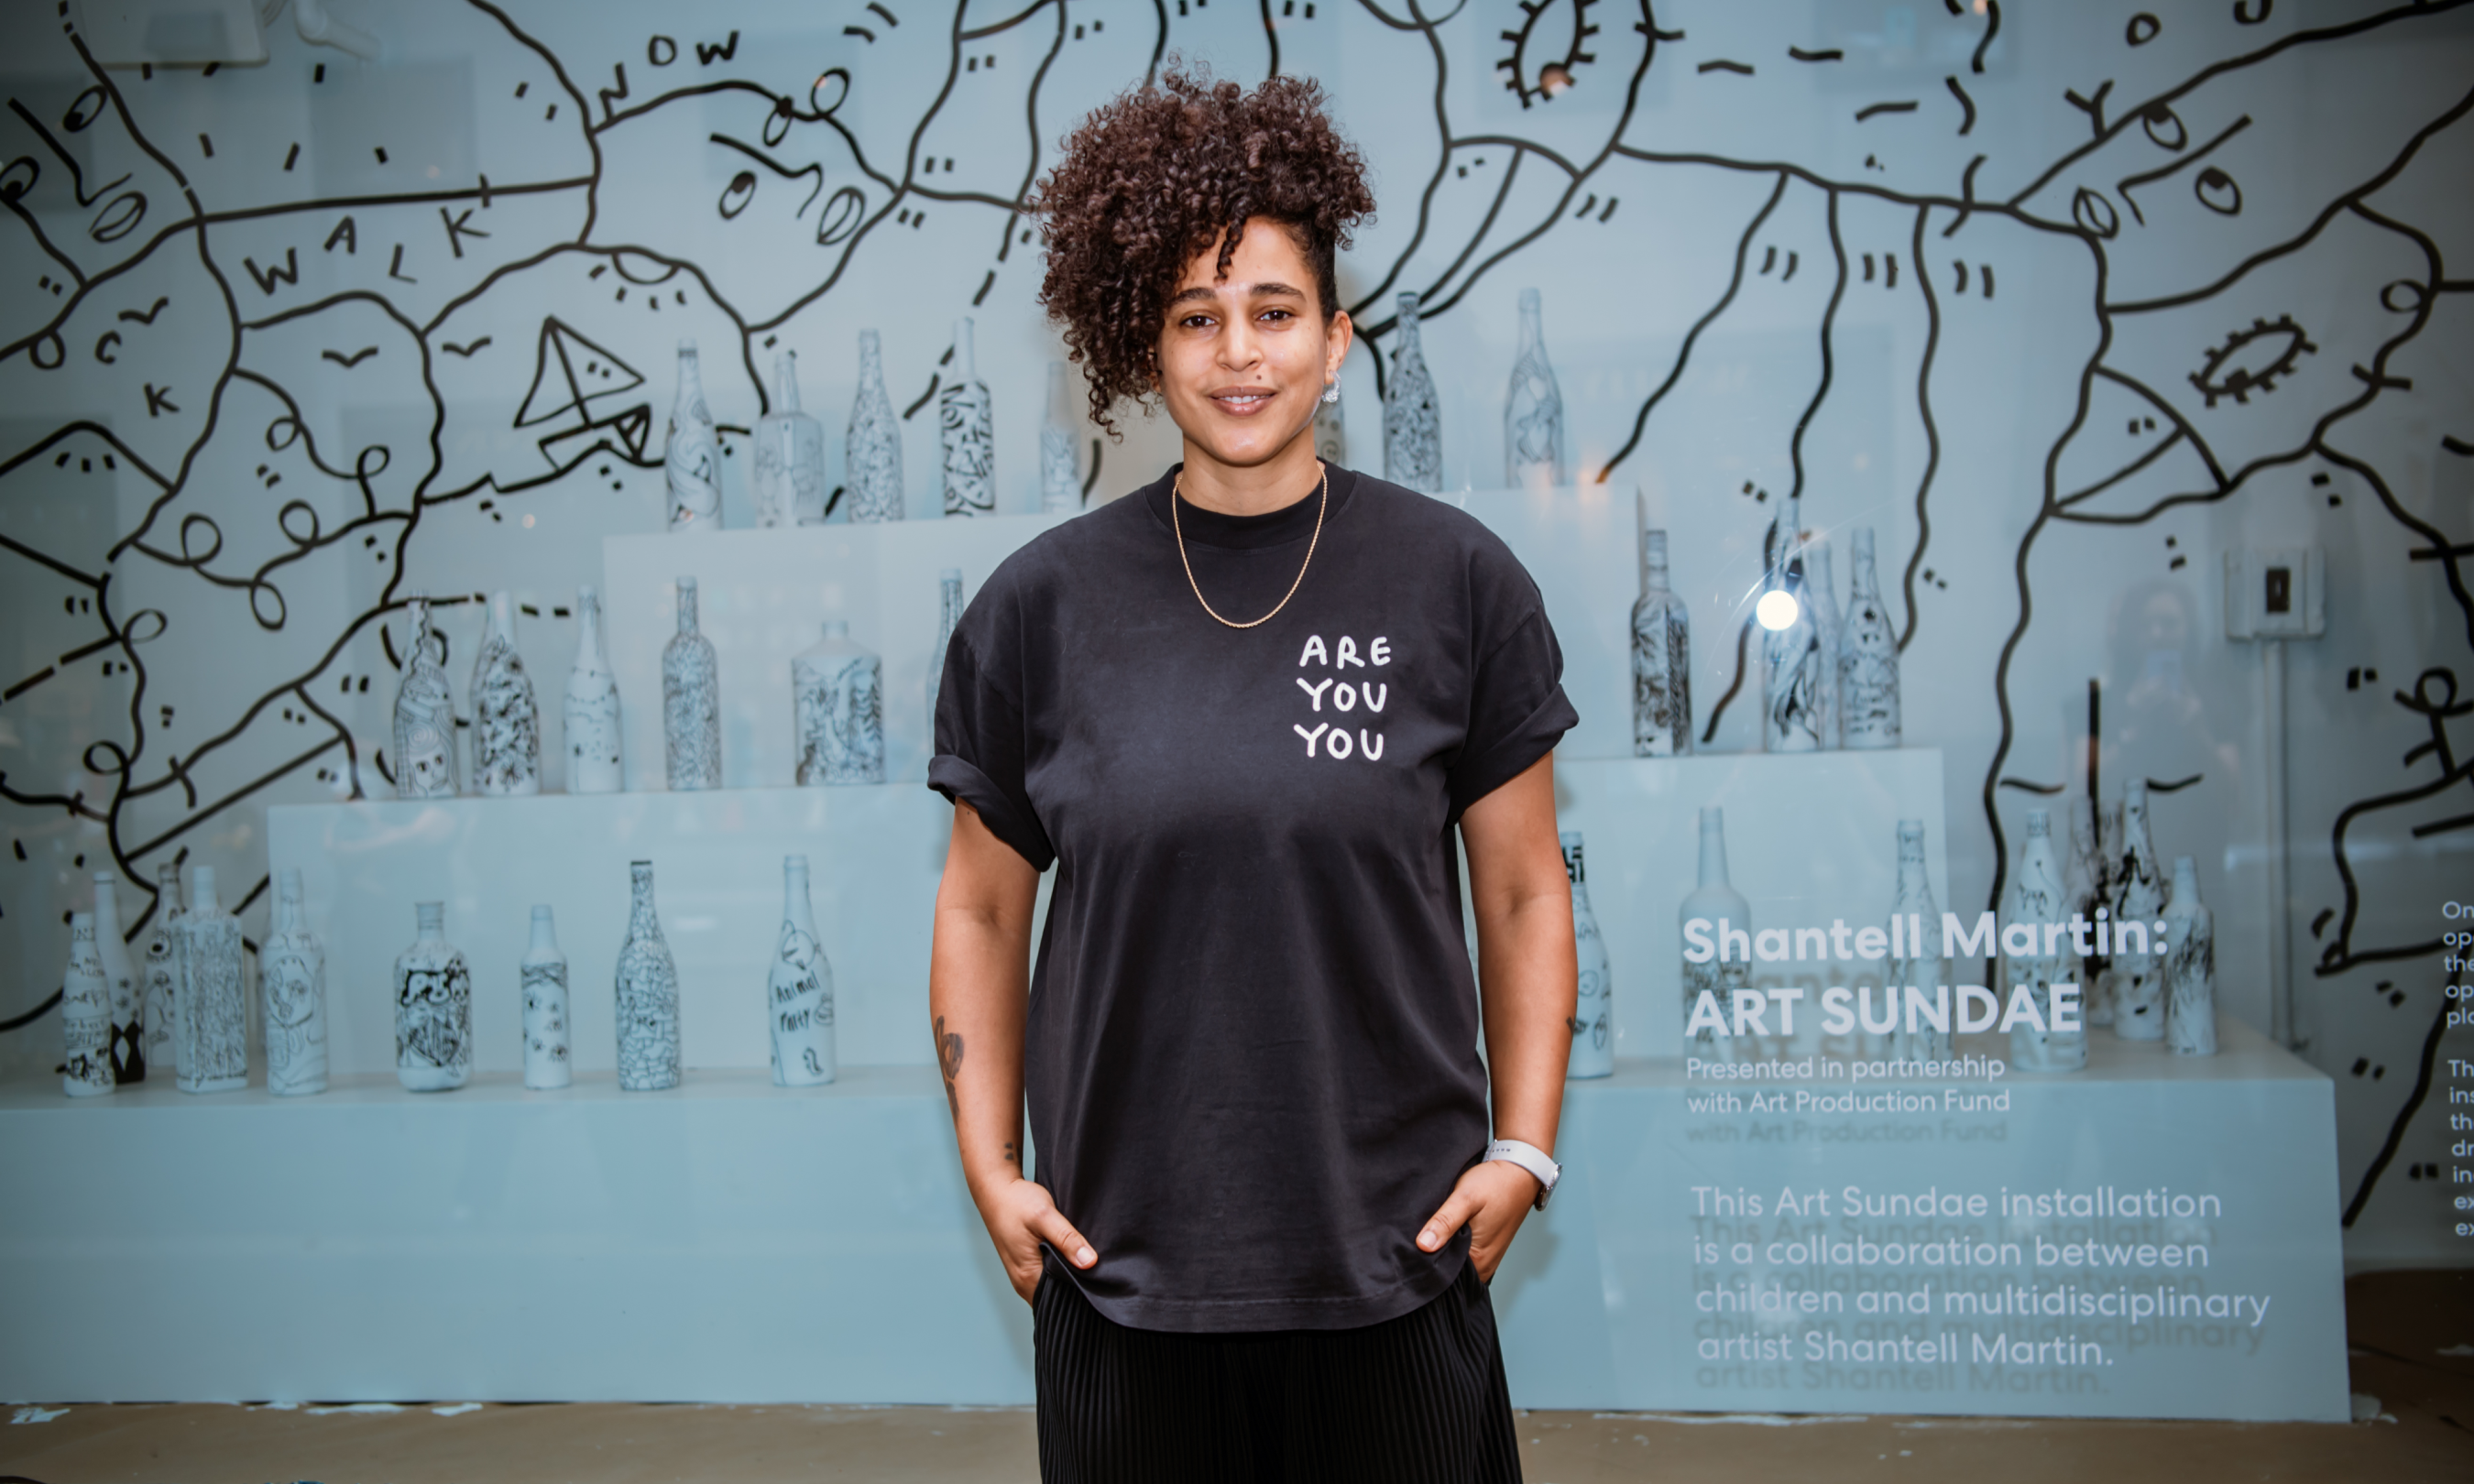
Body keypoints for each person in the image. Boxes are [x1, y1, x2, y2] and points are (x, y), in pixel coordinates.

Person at [927, 67, 1579, 1483]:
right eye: (1196, 318)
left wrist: (1522, 1149)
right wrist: (994, 1174)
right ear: (1144, 349)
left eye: (1275, 312)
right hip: (1123, 1279)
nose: (1240, 353)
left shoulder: (1457, 582)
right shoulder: (1039, 610)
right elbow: (981, 911)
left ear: (1336, 340)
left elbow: (1526, 891)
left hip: (1396, 1270)